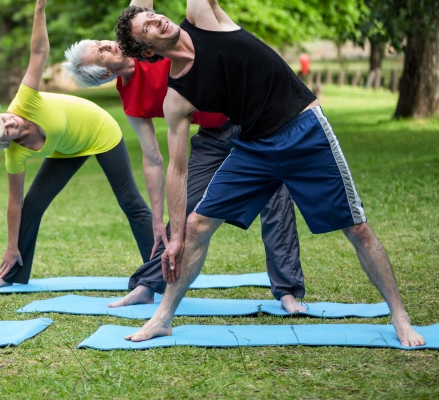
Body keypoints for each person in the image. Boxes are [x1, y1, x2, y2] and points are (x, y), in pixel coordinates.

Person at [114, 0, 424, 346]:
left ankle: (399, 314)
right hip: (254, 146)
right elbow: (178, 168)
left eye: (154, 16)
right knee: (194, 226)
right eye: (148, 28)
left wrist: (143, 9)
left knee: (357, 227)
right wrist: (174, 239)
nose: (158, 21)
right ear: (147, 49)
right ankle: (162, 318)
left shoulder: (202, 18)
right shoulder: (177, 97)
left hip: (304, 128)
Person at [61, 0, 306, 313]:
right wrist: (156, 218)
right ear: (104, 73)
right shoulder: (132, 97)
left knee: (276, 199)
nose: (109, 44)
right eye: (101, 52)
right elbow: (153, 160)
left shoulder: (143, 38)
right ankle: (148, 285)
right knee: (183, 212)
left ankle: (286, 292)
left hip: (252, 117)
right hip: (213, 134)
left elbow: (142, 6)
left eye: (101, 43)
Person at [0, 0, 154, 291]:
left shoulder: (24, 101)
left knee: (130, 202)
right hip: (67, 147)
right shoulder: (15, 155)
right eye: (7, 130)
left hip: (99, 130)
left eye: (4, 118)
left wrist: (39, 10)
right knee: (32, 204)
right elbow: (13, 203)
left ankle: (158, 274)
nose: (12, 121)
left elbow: (39, 52)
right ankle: (12, 273)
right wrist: (11, 245)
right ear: (3, 143)